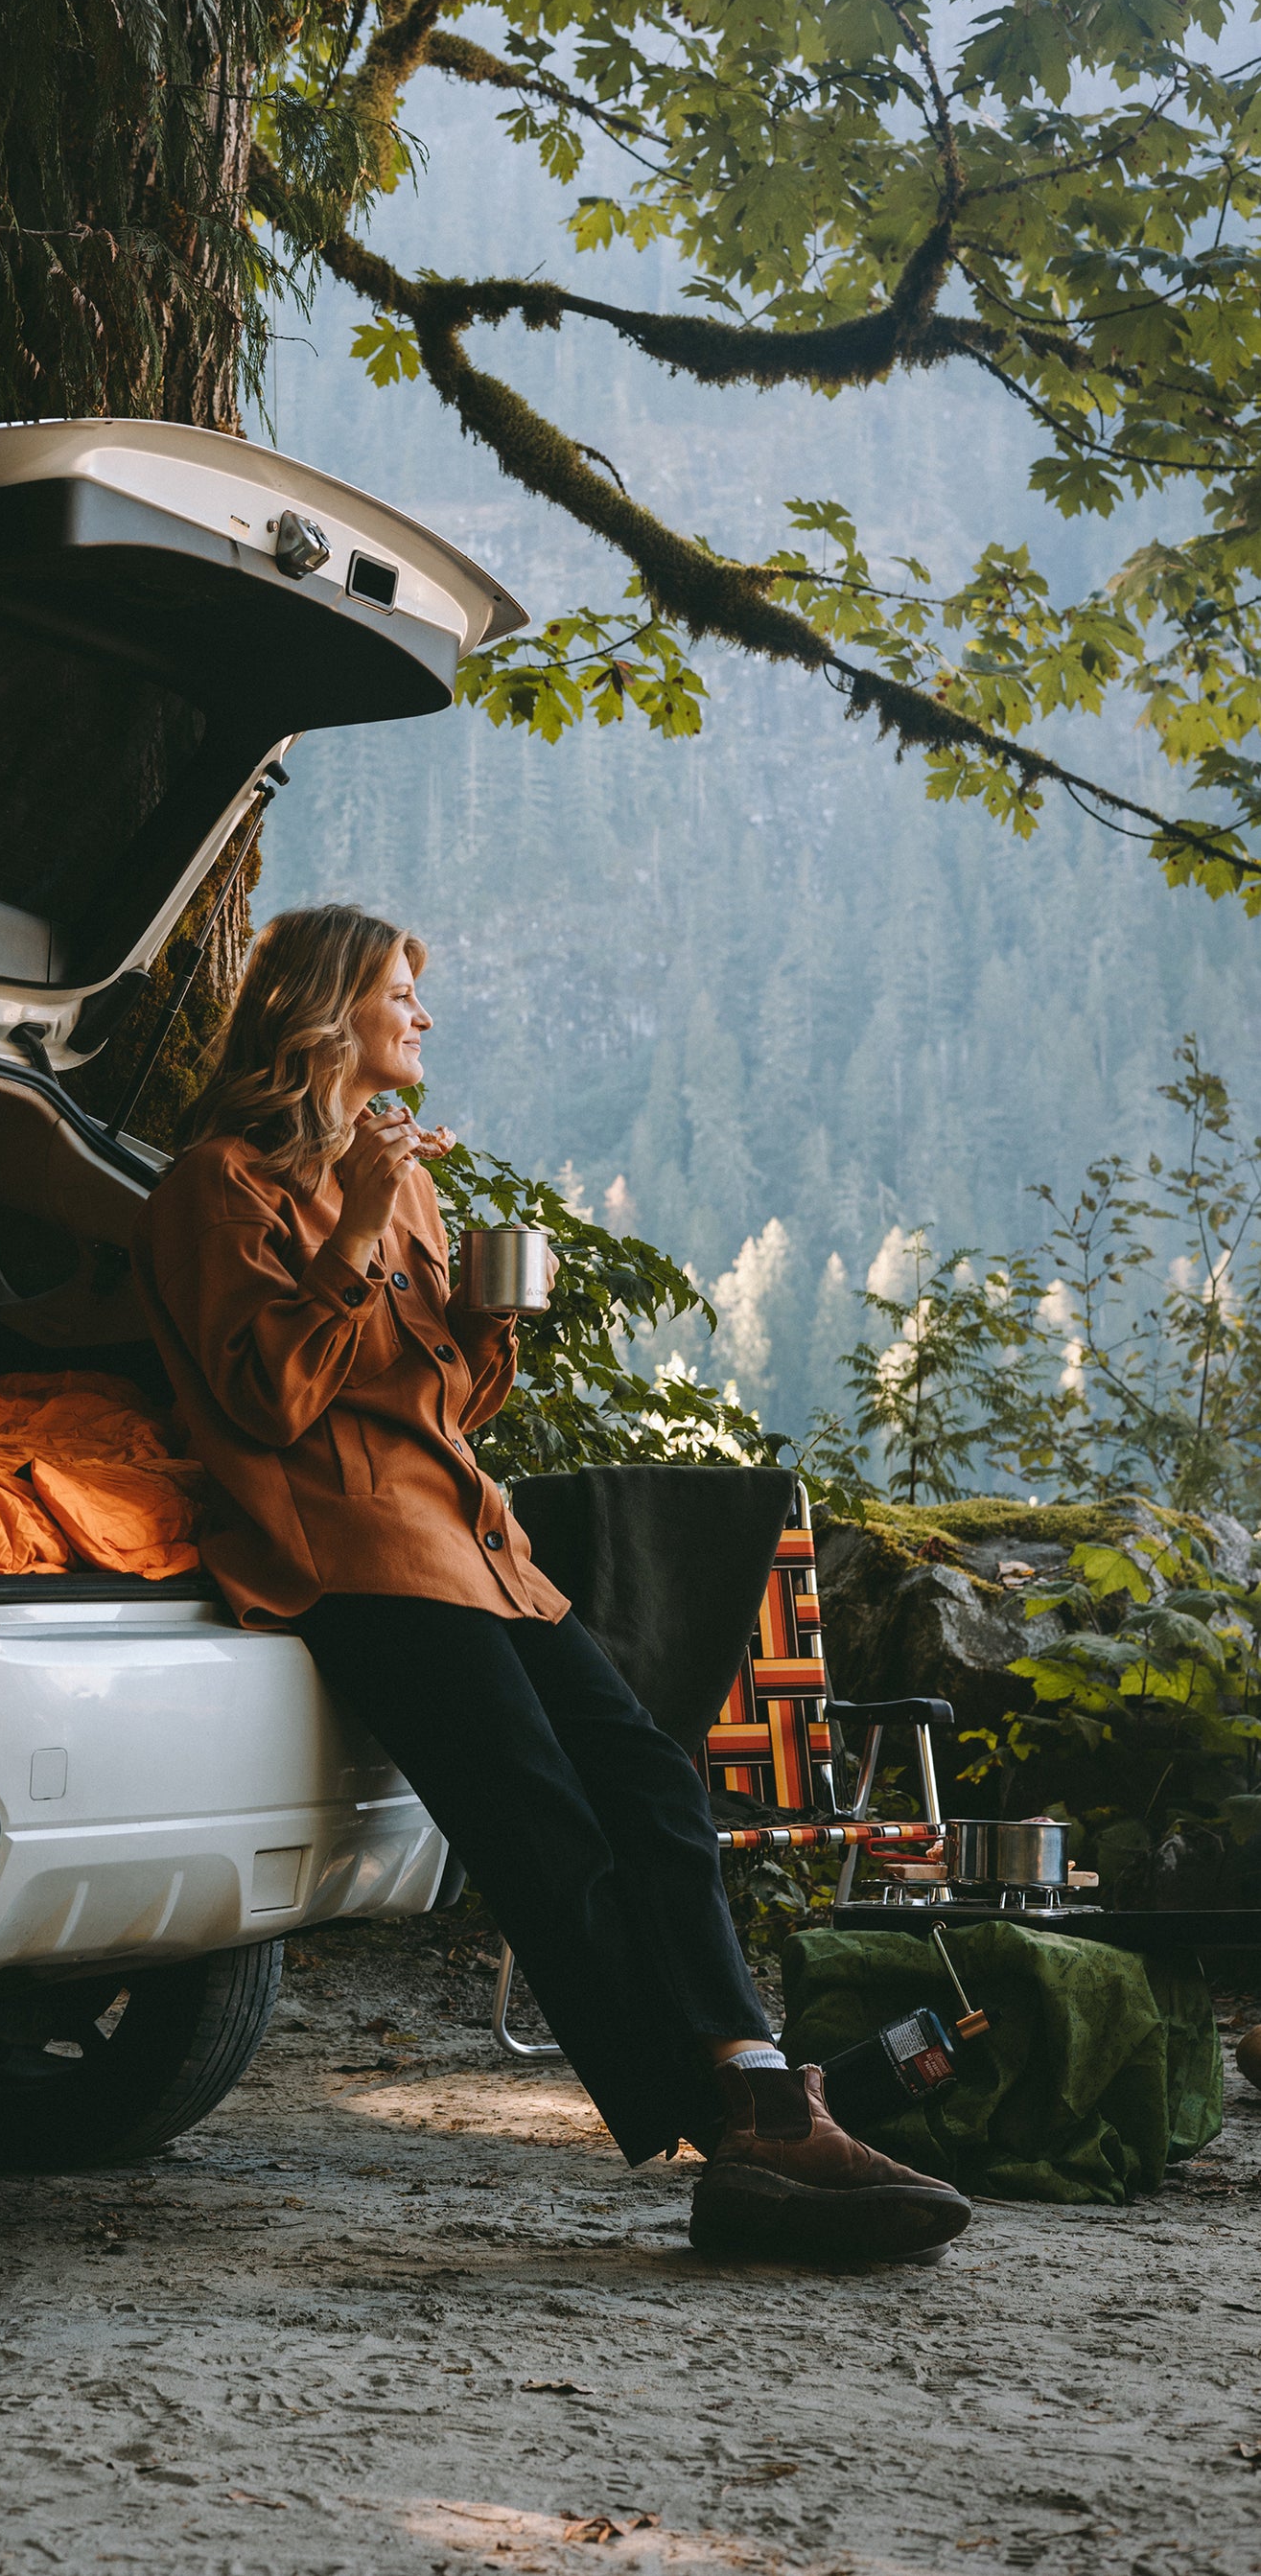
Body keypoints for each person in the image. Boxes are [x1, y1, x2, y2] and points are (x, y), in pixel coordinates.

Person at [132, 902, 969, 2263]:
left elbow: (449, 1407)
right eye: (403, 990)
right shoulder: (217, 1187)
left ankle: (752, 2080)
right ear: (329, 1011)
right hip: (351, 1547)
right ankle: (751, 2119)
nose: (423, 1015)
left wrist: (484, 1320)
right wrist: (346, 1225)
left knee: (650, 1782)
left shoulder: (406, 1179)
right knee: (539, 1822)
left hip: (480, 1546)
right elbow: (269, 1403)